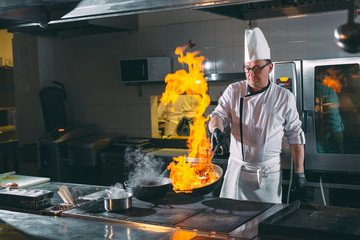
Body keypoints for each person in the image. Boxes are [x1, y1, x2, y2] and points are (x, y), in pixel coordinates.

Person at [208, 27, 306, 203]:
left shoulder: (284, 97)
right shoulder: (234, 90)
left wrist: (300, 172)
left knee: (265, 223)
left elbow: (295, 135)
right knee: (232, 222)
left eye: (257, 69)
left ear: (270, 67)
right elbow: (218, 115)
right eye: (247, 69)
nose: (252, 74)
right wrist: (216, 129)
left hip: (267, 174)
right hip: (236, 172)